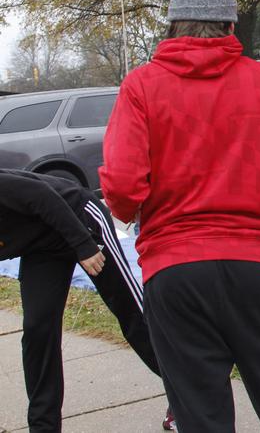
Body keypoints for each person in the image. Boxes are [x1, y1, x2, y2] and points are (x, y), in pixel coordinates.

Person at [100, 0, 260, 432]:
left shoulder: (141, 85)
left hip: (175, 271)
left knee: (200, 414)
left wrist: (131, 211)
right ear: (229, 24)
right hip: (256, 266)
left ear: (174, 24)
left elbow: (121, 184)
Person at [0, 169, 170, 432]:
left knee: (130, 313)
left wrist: (84, 245)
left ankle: (190, 392)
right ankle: (43, 427)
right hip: (42, 246)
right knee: (38, 329)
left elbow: (42, 195)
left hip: (80, 220)